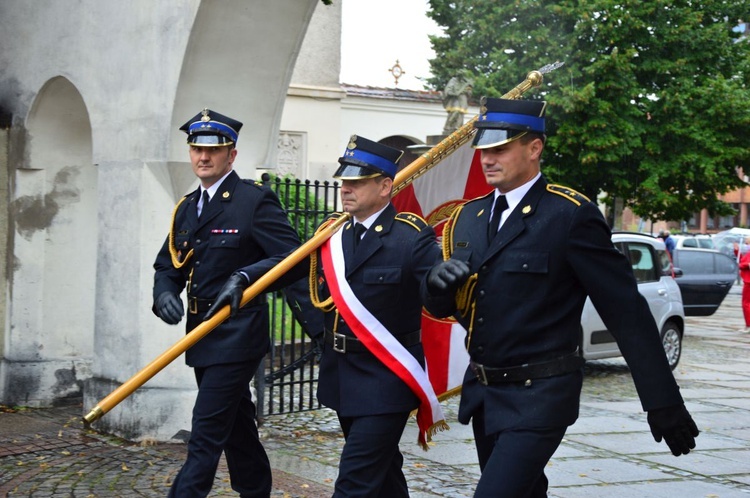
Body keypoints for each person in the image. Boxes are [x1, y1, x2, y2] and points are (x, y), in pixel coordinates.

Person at [421, 97, 699, 497]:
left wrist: (661, 400)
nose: (487, 159)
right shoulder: (469, 217)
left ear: (534, 148)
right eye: (483, 149)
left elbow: (626, 312)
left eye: (500, 148)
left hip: (541, 395)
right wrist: (435, 285)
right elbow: (446, 308)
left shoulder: (570, 215)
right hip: (486, 394)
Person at [152, 108, 322, 498]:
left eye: (214, 151)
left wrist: (246, 276)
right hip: (200, 335)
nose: (203, 158)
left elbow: (294, 258)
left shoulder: (253, 200)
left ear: (232, 154)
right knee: (237, 426)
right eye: (196, 149)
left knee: (206, 433)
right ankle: (256, 489)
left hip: (238, 333)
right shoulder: (188, 207)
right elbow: (169, 263)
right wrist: (163, 292)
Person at [307, 135, 446, 497]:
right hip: (342, 374)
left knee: (355, 481)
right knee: (383, 474)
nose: (346, 188)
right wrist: (245, 276)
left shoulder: (410, 237)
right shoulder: (334, 234)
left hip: (387, 378)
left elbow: (436, 296)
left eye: (357, 181)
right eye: (344, 180)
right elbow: (289, 268)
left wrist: (441, 280)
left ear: (386, 186)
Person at [738, 237, 750, 333]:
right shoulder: (748, 253)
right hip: (747, 280)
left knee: (746, 303)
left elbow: (744, 264)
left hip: (748, 281)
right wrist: (736, 251)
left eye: (747, 243)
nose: (746, 245)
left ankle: (748, 325)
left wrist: (742, 265)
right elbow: (742, 260)